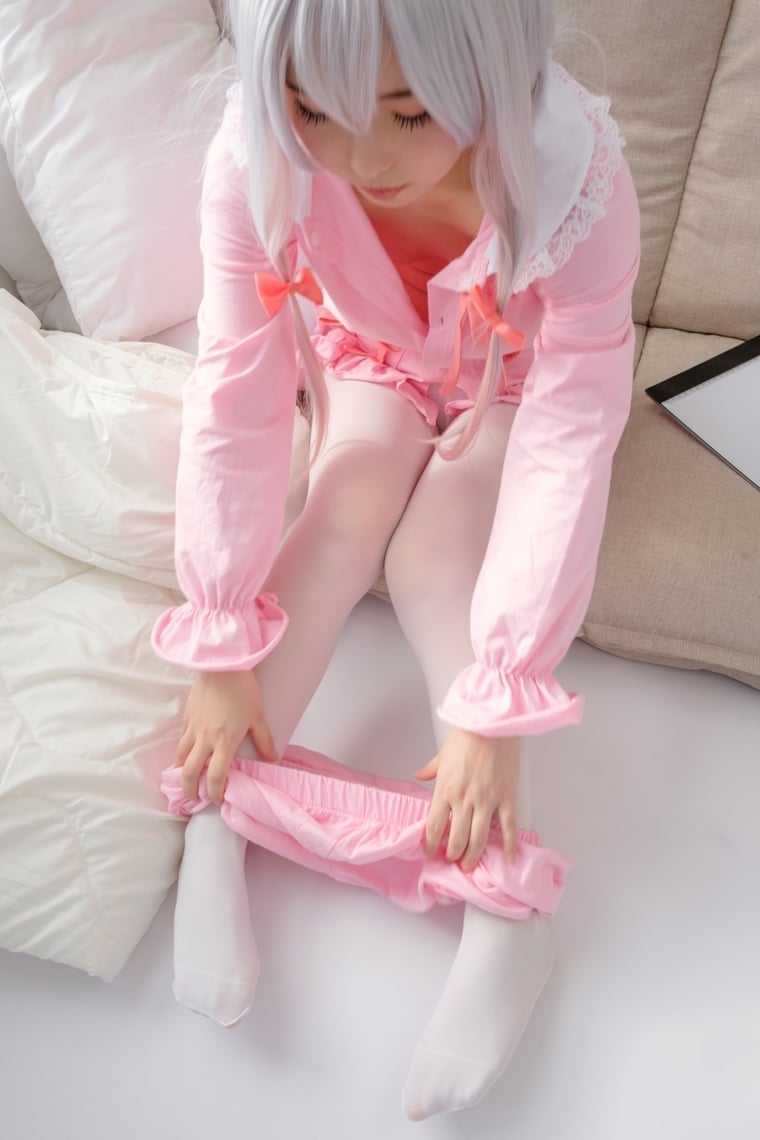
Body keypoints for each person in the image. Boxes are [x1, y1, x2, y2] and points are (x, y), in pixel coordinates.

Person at [152, 0, 640, 1120]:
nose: (363, 158)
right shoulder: (256, 162)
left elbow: (572, 429)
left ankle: (506, 908)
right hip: (369, 358)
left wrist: (496, 708)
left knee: (431, 559)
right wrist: (218, 641)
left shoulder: (575, 182)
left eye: (409, 114)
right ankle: (216, 819)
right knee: (345, 504)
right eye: (313, 110)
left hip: (511, 383)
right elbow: (235, 386)